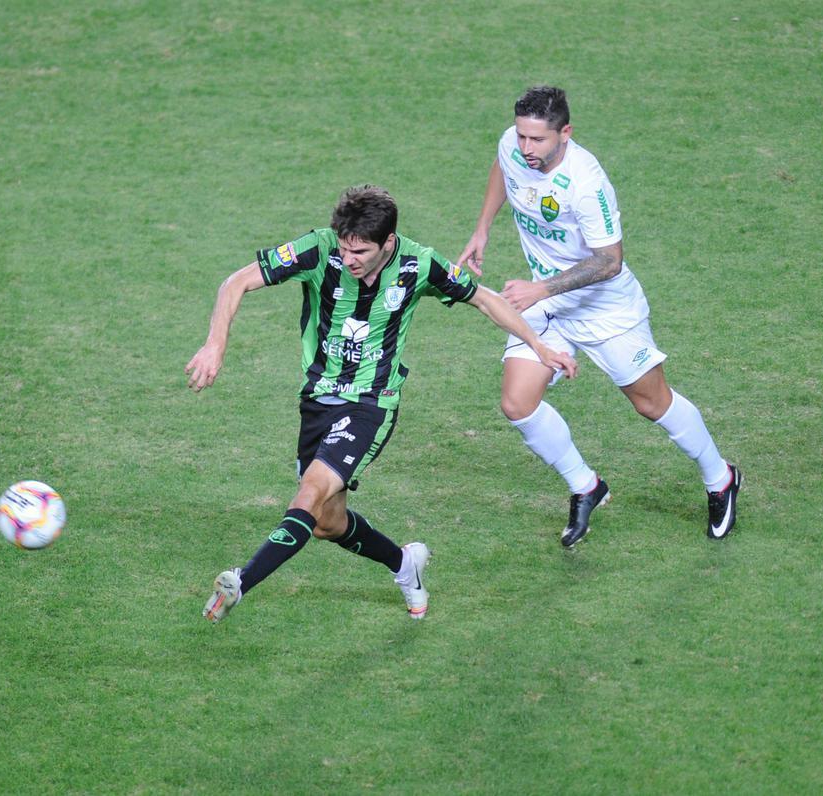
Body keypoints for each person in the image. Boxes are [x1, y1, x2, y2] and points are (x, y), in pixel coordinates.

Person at [187, 185, 577, 622]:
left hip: (372, 403)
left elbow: (484, 299)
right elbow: (236, 281)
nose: (348, 258)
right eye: (344, 247)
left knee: (309, 493)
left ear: (387, 243)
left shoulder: (418, 263)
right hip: (317, 401)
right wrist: (215, 344)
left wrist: (538, 347)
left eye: (360, 251)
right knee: (326, 523)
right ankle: (404, 564)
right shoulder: (318, 250)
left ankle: (241, 581)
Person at [458, 86, 741, 545]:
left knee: (651, 403)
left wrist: (541, 287)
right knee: (517, 403)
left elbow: (609, 260)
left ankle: (720, 477)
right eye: (521, 136)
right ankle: (585, 485)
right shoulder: (514, 146)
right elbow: (503, 170)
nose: (525, 148)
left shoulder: (586, 183)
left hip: (604, 307)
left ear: (565, 133)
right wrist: (482, 229)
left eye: (538, 140)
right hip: (548, 302)